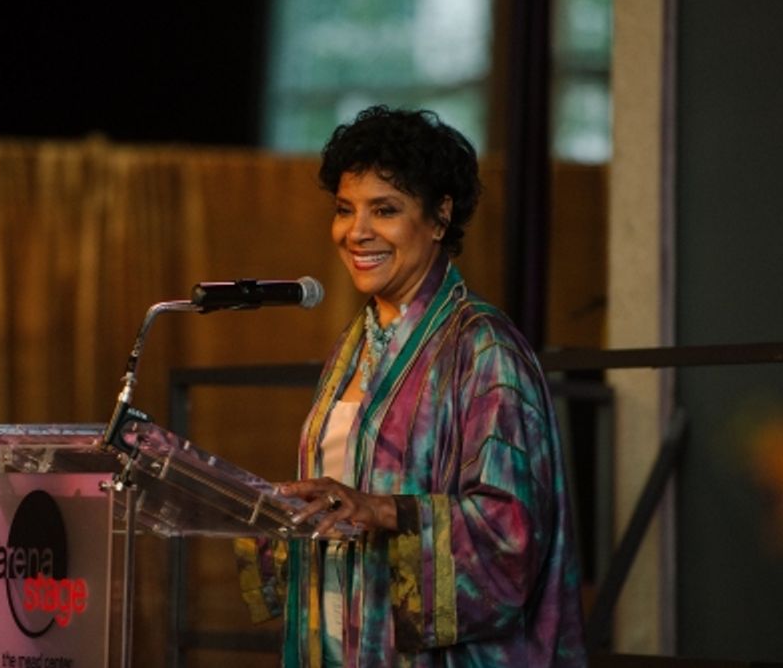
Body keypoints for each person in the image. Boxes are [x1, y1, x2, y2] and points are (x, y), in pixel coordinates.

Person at [237, 105, 587, 667]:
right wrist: (263, 511)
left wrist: (383, 512)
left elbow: (514, 535)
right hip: (334, 643)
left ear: (439, 216)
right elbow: (337, 500)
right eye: (345, 210)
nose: (357, 232)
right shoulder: (350, 351)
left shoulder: (483, 349)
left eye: (385, 210)